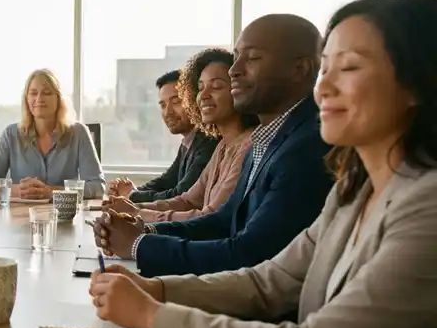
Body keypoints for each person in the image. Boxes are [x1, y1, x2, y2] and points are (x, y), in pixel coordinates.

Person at [90, 0, 437, 328]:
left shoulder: (427, 207)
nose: (326, 87)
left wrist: (153, 316)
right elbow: (267, 282)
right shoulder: (354, 190)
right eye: (326, 69)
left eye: (351, 68)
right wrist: (161, 289)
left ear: (416, 84)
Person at [95, 14, 333, 276]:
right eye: (237, 56)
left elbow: (248, 254)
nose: (234, 70)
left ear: (300, 69)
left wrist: (140, 244)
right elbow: (222, 221)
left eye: (252, 58)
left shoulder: (306, 149)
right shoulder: (266, 140)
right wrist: (143, 230)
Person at [104, 49, 256, 222]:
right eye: (200, 88)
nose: (204, 96)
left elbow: (211, 218)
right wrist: (133, 207)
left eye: (216, 87)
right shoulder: (223, 146)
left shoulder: (247, 146)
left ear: (238, 91)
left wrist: (138, 213)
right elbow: (187, 200)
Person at [0, 69, 105, 200]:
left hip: (64, 216)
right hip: (19, 217)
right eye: (33, 93)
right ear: (26, 99)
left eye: (47, 93)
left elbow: (97, 186)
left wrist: (52, 192)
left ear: (59, 99)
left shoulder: (79, 132)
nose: (39, 99)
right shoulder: (11, 134)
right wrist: (13, 190)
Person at [107, 70, 217, 203]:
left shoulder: (209, 141)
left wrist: (132, 195)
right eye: (163, 105)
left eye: (176, 101)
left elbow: (180, 195)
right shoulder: (189, 141)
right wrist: (128, 193)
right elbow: (166, 181)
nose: (168, 112)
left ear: (195, 100)